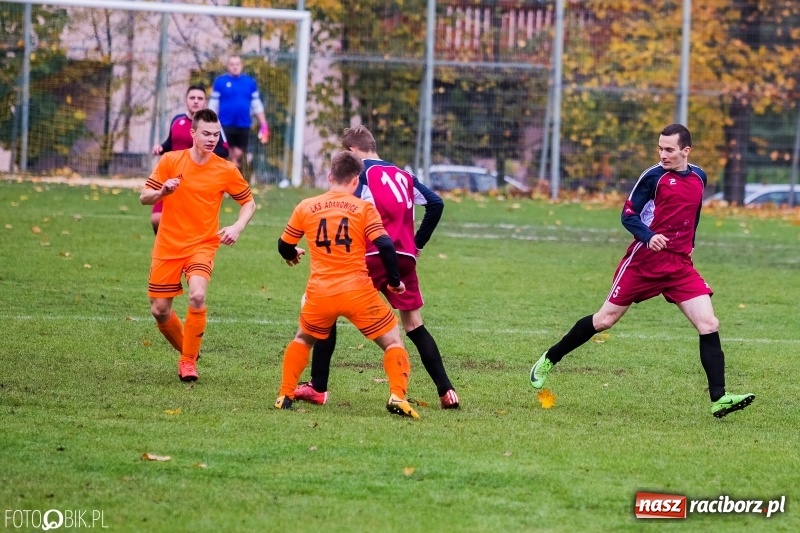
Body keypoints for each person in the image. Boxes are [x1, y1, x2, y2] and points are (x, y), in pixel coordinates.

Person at [529, 124, 755, 419]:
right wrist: (649, 236)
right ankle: (550, 358)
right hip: (644, 261)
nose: (663, 154)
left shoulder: (699, 176)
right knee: (604, 320)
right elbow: (627, 214)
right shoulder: (653, 177)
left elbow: (694, 213)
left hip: (679, 265)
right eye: (660, 148)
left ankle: (719, 398)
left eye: (669, 150)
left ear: (686, 151)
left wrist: (692, 243)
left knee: (709, 323)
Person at [294, 125, 460, 409]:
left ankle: (318, 387)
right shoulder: (403, 174)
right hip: (404, 259)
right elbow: (435, 203)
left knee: (326, 309)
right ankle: (446, 391)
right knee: (415, 325)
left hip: (372, 255)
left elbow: (340, 209)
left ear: (352, 152)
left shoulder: (362, 176)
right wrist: (416, 245)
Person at [275, 151, 420, 419]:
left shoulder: (305, 206)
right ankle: (397, 396)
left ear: (330, 177)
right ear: (356, 181)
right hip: (358, 291)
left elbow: (284, 245)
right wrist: (395, 281)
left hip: (320, 292)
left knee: (303, 339)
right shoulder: (364, 208)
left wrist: (292, 255)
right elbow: (385, 245)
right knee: (392, 341)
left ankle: (285, 394)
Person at [140, 108, 256, 382]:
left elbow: (249, 203)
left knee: (198, 295)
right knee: (159, 310)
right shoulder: (170, 160)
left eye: (216, 134)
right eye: (206, 133)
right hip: (168, 246)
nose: (211, 139)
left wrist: (237, 227)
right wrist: (162, 192)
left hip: (202, 245)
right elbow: (144, 197)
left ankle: (187, 361)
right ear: (193, 133)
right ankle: (190, 349)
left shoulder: (226, 169)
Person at [149, 85, 230, 235]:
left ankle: (181, 248)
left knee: (187, 224)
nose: (196, 101)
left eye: (200, 98)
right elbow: (171, 142)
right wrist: (161, 147)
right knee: (156, 219)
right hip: (171, 177)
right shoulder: (177, 120)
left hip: (196, 180)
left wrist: (201, 150)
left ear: (205, 102)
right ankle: (166, 245)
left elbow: (224, 149)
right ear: (186, 101)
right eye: (192, 98)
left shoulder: (212, 125)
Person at [208, 55, 269, 170]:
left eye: (237, 64)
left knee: (238, 152)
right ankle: (229, 176)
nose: (235, 67)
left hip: (244, 124)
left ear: (241, 65)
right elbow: (213, 104)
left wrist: (263, 124)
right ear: (227, 66)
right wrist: (210, 121)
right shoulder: (220, 82)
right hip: (224, 124)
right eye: (232, 64)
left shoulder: (250, 82)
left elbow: (257, 104)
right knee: (225, 152)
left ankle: (232, 170)